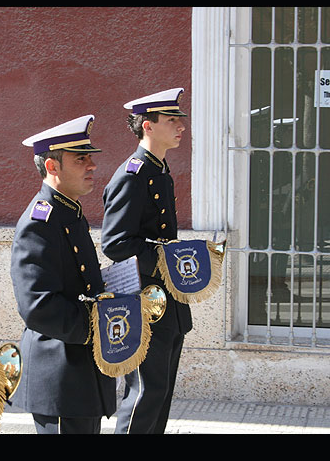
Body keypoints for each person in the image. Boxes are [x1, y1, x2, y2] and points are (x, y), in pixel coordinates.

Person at [10, 115, 116, 434]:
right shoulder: (39, 222)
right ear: (53, 167)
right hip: (58, 372)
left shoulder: (68, 211)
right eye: (80, 158)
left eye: (90, 157)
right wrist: (95, 323)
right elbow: (37, 306)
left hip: (79, 370)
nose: (92, 165)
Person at [101, 87, 192, 434]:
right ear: (148, 126)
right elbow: (116, 242)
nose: (181, 126)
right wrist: (168, 259)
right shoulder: (133, 174)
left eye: (180, 119)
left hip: (167, 300)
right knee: (145, 391)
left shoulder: (159, 170)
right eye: (172, 120)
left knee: (161, 391)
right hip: (144, 300)